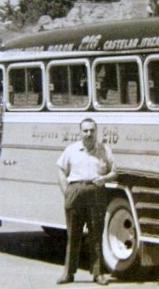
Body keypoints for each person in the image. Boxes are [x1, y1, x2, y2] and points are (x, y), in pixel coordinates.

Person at [56, 118, 116, 285]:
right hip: (75, 192)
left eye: (92, 131)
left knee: (96, 234)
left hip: (96, 193)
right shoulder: (71, 150)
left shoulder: (104, 150)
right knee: (73, 235)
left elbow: (115, 172)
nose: (89, 134)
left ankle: (98, 274)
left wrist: (104, 178)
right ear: (80, 132)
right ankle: (68, 273)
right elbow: (61, 169)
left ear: (96, 132)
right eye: (85, 131)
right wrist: (66, 191)